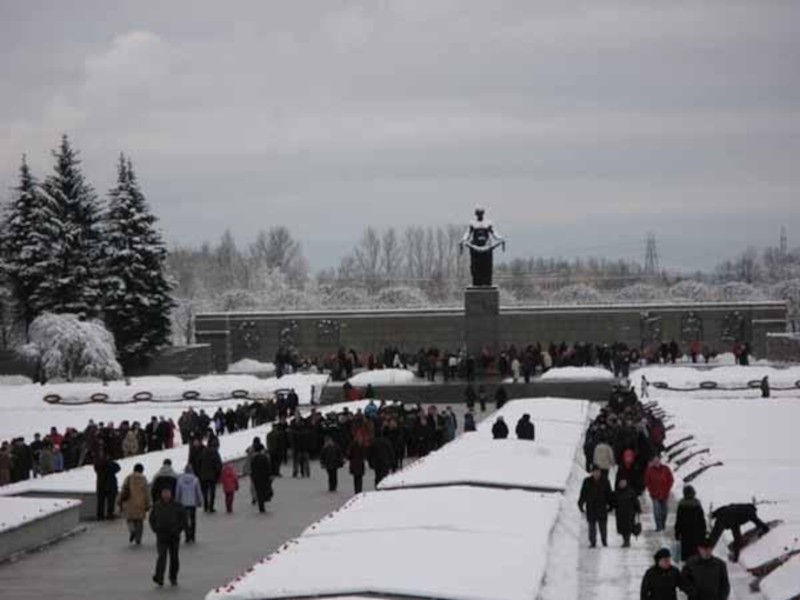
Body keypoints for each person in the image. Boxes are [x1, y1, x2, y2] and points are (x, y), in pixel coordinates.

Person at [149, 487, 187, 587]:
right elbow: (151, 519)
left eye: (167, 492)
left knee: (174, 557)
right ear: (162, 493)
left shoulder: (177, 505)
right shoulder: (157, 505)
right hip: (161, 535)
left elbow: (184, 519)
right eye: (164, 492)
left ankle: (173, 577)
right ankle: (159, 577)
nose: (166, 494)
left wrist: (179, 529)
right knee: (161, 557)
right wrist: (155, 529)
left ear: (171, 493)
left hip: (174, 536)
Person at [578, 465, 614, 548]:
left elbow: (609, 494)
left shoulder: (605, 481)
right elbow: (583, 494)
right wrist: (580, 504)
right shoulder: (587, 481)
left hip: (602, 506)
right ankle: (592, 542)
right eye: (595, 472)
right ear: (592, 472)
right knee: (592, 527)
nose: (597, 473)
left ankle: (604, 541)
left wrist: (611, 505)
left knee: (603, 526)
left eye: (598, 472)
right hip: (591, 506)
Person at [118, 463, 151, 545]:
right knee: (139, 522)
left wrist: (119, 500)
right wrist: (148, 504)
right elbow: (147, 493)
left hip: (129, 503)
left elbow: (123, 490)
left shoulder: (128, 478)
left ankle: (132, 530)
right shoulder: (144, 479)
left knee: (129, 519)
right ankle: (138, 539)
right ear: (142, 470)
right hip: (140, 504)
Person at [675, 485, 706, 562]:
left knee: (687, 553)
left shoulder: (681, 505)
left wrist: (677, 532)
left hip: (685, 533)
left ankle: (687, 565)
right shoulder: (697, 504)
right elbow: (702, 520)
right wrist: (704, 531)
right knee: (696, 553)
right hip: (697, 532)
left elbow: (678, 520)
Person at [645, 456, 674, 532]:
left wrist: (668, 488)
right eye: (655, 461)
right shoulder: (650, 470)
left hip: (665, 493)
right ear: (653, 462)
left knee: (664, 511)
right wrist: (651, 490)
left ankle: (663, 524)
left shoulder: (665, 469)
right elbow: (647, 481)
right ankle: (658, 526)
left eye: (658, 461)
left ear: (660, 461)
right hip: (655, 494)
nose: (656, 462)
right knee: (657, 511)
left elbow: (671, 479)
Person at [174, 465, 202, 543]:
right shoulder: (196, 479)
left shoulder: (180, 480)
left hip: (183, 503)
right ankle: (193, 536)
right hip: (193, 503)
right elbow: (198, 491)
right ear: (192, 470)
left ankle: (187, 535)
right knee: (193, 520)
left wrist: (177, 501)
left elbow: (178, 492)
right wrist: (199, 501)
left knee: (184, 520)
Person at [94, 451, 120, 521]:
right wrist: (109, 462)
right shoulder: (111, 464)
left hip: (101, 485)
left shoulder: (98, 464)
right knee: (111, 501)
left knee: (101, 501)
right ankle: (110, 514)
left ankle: (100, 515)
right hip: (110, 485)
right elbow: (118, 468)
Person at [614, 479, 641, 548]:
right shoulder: (617, 492)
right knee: (622, 528)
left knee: (628, 528)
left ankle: (627, 541)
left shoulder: (631, 492)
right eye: (621, 483)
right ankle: (625, 541)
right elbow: (614, 502)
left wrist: (638, 509)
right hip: (620, 513)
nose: (622, 484)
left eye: (623, 483)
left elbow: (635, 501)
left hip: (629, 513)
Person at [249, 440, 273, 513]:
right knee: (264, 490)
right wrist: (269, 475)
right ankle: (262, 504)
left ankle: (261, 505)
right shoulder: (264, 457)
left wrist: (252, 476)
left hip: (256, 477)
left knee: (259, 491)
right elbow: (268, 467)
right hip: (264, 476)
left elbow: (252, 468)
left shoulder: (253, 458)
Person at [198, 441, 222, 513]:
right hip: (212, 476)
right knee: (212, 492)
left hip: (203, 476)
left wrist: (200, 473)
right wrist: (217, 475)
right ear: (216, 446)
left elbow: (198, 463)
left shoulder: (203, 452)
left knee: (205, 492)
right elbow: (218, 465)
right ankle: (211, 507)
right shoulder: (215, 453)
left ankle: (205, 506)